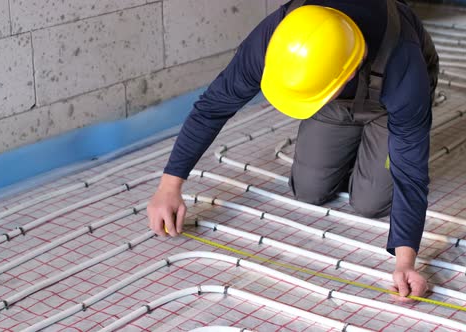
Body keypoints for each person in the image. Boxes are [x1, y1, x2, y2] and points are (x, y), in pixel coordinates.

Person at [147, 0, 439, 302]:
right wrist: (170, 185)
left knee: (371, 201)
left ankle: (372, 143)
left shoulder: (403, 64)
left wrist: (405, 262)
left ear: (349, 74)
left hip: (386, 108)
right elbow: (213, 107)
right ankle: (354, 141)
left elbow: (410, 170)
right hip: (331, 99)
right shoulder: (277, 39)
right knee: (309, 189)